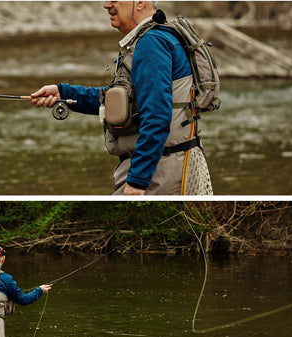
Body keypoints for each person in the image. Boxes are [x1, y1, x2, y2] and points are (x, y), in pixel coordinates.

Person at [31, 1, 212, 196]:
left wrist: (137, 181)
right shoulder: (155, 38)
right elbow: (124, 101)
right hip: (163, 165)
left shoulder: (151, 43)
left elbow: (157, 116)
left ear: (140, 2)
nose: (106, 4)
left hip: (161, 172)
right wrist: (64, 94)